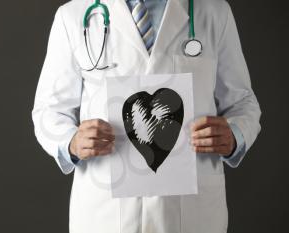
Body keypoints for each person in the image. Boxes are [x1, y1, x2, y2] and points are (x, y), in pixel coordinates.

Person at [31, 0, 261, 232]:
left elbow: (243, 102)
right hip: (106, 213)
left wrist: (234, 135)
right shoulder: (73, 15)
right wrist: (72, 142)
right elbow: (49, 110)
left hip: (191, 213)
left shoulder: (213, 12)